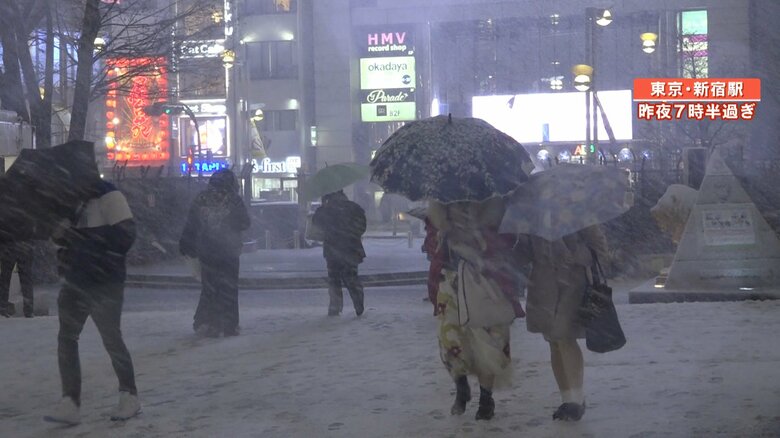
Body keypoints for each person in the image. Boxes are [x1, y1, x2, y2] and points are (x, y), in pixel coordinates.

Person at [44, 179, 140, 425]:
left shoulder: (107, 194)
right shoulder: (68, 202)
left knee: (111, 337)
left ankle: (129, 395)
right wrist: (59, 234)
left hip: (105, 280)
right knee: (67, 338)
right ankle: (70, 401)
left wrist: (81, 238)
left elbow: (126, 235)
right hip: (75, 280)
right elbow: (60, 241)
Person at [427, 197, 524, 421]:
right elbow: (433, 248)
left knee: (489, 342)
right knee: (451, 338)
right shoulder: (440, 212)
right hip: (450, 282)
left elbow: (508, 245)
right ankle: (461, 385)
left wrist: (478, 241)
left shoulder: (497, 207)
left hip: (486, 282)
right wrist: (447, 235)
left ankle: (486, 399)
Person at [513, 225, 609, 421]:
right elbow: (524, 255)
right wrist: (510, 247)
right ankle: (568, 399)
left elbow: (599, 247)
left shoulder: (576, 209)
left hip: (572, 283)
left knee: (564, 337)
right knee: (554, 342)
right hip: (543, 285)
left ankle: (576, 399)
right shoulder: (534, 216)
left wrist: (575, 255)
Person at [179, 169, 250, 337]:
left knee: (209, 286)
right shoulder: (233, 200)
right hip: (229, 251)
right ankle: (229, 325)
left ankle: (207, 322)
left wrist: (186, 243)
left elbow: (191, 223)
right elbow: (245, 222)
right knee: (229, 288)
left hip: (207, 250)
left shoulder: (201, 199)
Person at [311, 190, 367, 316]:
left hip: (333, 249)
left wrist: (323, 206)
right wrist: (352, 234)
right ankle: (358, 304)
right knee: (352, 278)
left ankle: (335, 307)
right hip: (351, 249)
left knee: (334, 280)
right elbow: (362, 227)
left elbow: (316, 223)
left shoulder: (326, 209)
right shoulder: (354, 208)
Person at [0, 240, 34, 317]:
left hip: (8, 247)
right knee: (26, 281)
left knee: (5, 279)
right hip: (25, 246)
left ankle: (2, 307)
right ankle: (29, 311)